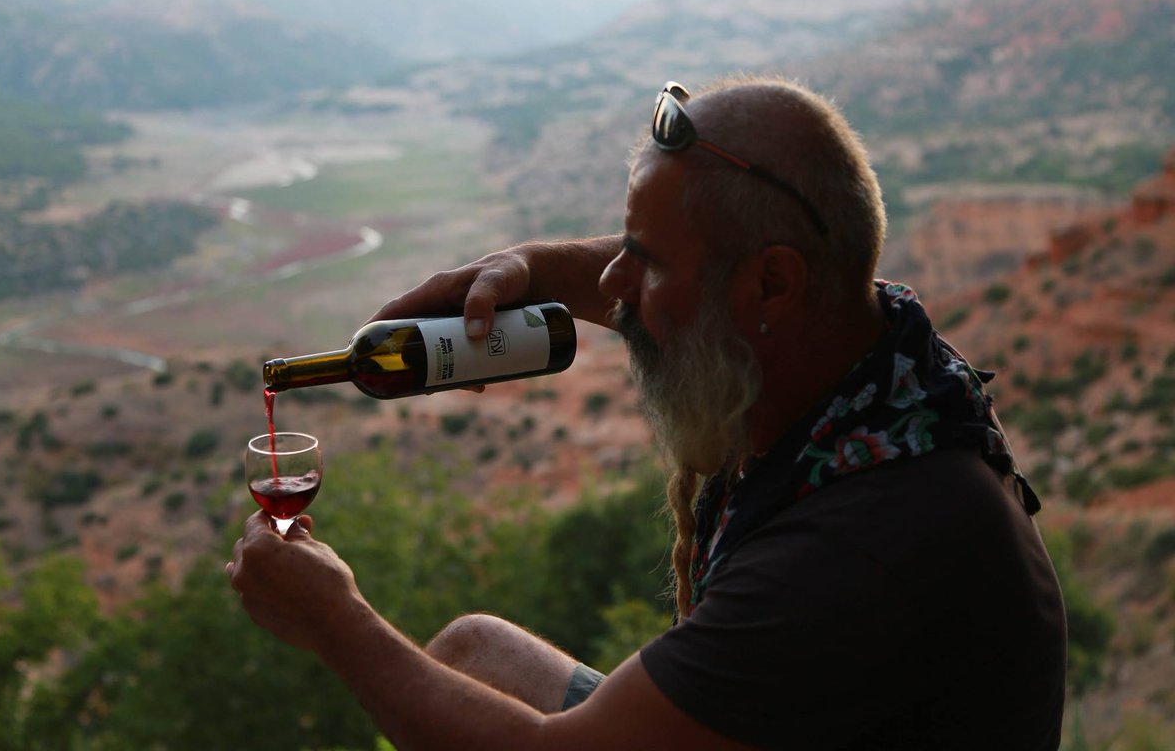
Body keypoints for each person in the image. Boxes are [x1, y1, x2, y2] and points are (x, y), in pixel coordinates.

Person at [227, 76, 1067, 749]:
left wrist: (336, 620)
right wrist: (523, 266)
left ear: (772, 284)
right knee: (471, 652)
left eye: (645, 260)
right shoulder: (877, 362)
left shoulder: (855, 550)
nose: (611, 286)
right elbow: (688, 284)